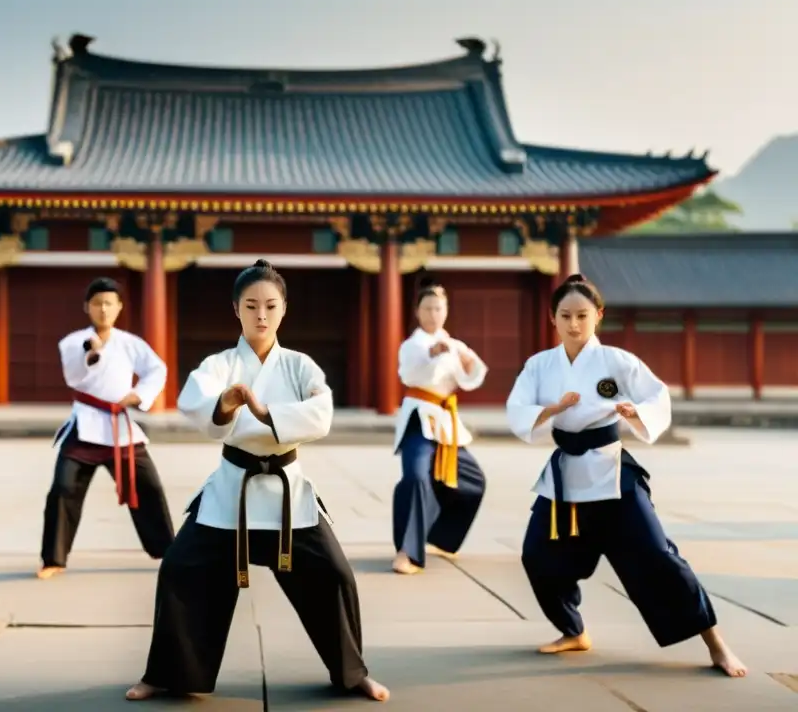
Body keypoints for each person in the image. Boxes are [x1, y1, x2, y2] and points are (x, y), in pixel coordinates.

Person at [126, 259, 389, 702]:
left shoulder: (300, 365)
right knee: (179, 569)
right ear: (237, 310)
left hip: (288, 494)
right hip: (233, 490)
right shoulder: (221, 364)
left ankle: (351, 672)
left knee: (335, 575)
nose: (261, 315)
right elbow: (195, 397)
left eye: (270, 305)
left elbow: (321, 412)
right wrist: (227, 404)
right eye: (251, 305)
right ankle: (167, 675)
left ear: (284, 309)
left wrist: (268, 413)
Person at [505, 273, 746, 678]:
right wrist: (552, 410)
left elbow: (657, 395)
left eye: (583, 315)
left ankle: (715, 643)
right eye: (565, 315)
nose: (574, 324)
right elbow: (518, 409)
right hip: (565, 476)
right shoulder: (539, 366)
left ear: (598, 315)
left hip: (611, 470)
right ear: (553, 318)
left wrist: (637, 413)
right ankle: (573, 630)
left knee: (658, 556)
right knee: (538, 557)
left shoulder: (616, 361)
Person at [38, 277, 175, 580]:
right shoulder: (73, 342)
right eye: (97, 303)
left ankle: (169, 552)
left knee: (149, 486)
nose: (103, 309)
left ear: (119, 307)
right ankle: (53, 559)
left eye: (109, 303)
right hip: (85, 423)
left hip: (121, 427)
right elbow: (75, 374)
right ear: (87, 307)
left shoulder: (131, 343)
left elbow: (157, 369)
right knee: (63, 488)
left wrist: (138, 395)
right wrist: (93, 351)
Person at [391, 279, 489, 575]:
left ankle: (441, 537)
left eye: (439, 308)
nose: (434, 314)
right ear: (417, 312)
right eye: (428, 308)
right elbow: (408, 374)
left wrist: (470, 363)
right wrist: (432, 355)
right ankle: (406, 552)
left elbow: (472, 377)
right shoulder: (413, 345)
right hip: (419, 417)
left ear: (446, 311)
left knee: (474, 481)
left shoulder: (453, 343)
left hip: (446, 421)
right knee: (416, 477)